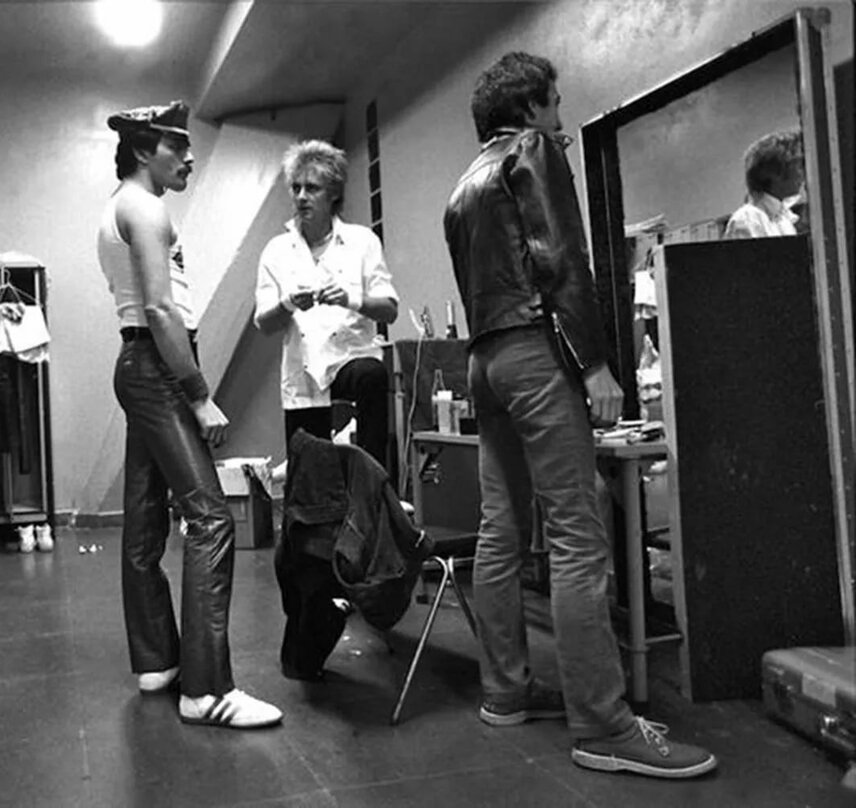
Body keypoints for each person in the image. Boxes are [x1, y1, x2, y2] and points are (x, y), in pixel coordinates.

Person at [442, 52, 717, 778]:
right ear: (529, 108)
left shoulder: (461, 187)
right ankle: (604, 724)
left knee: (502, 529)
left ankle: (503, 691)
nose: (560, 119)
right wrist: (593, 362)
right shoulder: (535, 150)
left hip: (484, 360)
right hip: (536, 352)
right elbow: (561, 256)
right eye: (555, 104)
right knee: (576, 532)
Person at [97, 100, 281, 729]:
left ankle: (157, 662)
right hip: (157, 366)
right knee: (210, 519)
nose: (191, 156)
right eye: (178, 145)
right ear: (145, 149)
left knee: (147, 521)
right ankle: (206, 690)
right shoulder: (144, 208)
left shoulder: (123, 206)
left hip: (141, 365)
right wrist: (199, 394)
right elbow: (160, 310)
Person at [254, 140, 398, 474]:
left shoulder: (363, 242)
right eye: (296, 188)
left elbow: (389, 309)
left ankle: (375, 491)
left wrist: (351, 298)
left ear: (333, 193)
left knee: (372, 375)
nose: (301, 196)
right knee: (310, 479)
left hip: (348, 359)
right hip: (303, 372)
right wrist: (288, 303)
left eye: (312, 188)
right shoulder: (276, 251)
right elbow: (263, 323)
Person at [724, 129, 804, 239]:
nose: (803, 173)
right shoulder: (748, 220)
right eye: (799, 166)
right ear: (774, 172)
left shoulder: (784, 220)